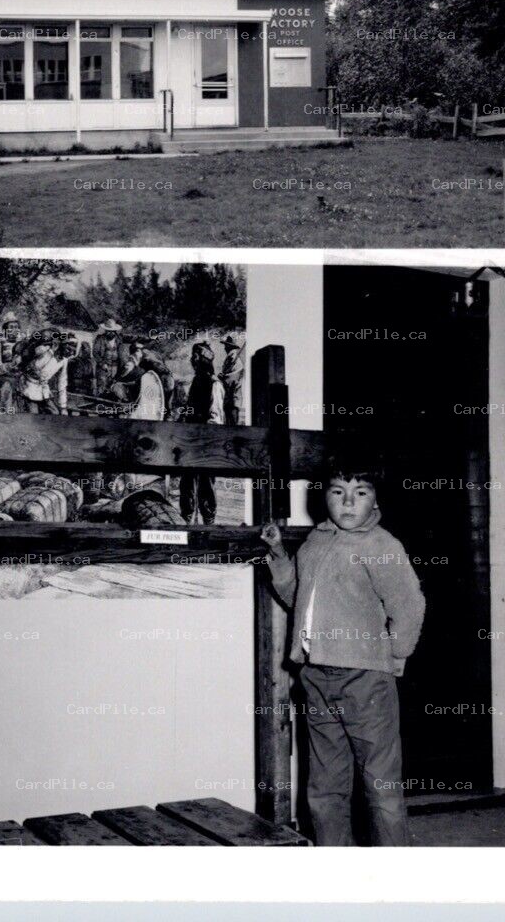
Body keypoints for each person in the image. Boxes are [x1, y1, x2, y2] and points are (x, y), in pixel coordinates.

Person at [261, 468, 425, 846]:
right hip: (316, 675)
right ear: (325, 498)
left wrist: (397, 653)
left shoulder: (382, 546)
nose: (349, 502)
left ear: (376, 500)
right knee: (324, 785)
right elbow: (297, 600)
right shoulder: (314, 544)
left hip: (365, 678)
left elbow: (409, 604)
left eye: (361, 492)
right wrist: (279, 555)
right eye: (338, 491)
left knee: (379, 785)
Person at [178, 341, 226, 524]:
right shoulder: (197, 382)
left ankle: (208, 524)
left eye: (196, 357)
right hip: (190, 441)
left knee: (206, 486)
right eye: (193, 357)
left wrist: (205, 440)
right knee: (187, 484)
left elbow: (215, 417)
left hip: (206, 443)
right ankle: (187, 520)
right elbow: (190, 409)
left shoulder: (214, 385)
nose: (192, 360)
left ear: (203, 360)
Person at [15, 330, 71, 414]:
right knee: (33, 415)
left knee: (55, 413)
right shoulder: (43, 349)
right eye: (68, 348)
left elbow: (62, 383)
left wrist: (63, 407)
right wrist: (50, 353)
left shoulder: (64, 360)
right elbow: (32, 364)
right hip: (28, 387)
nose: (71, 352)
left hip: (44, 391)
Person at [219, 335, 245, 426]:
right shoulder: (230, 359)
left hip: (234, 399)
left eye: (226, 345)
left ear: (230, 346)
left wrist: (223, 377)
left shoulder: (235, 360)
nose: (225, 347)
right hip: (229, 399)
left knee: (233, 425)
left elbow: (234, 378)